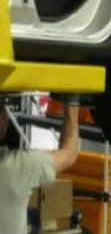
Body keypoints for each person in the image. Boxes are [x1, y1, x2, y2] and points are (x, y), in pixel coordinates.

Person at [0, 95, 81, 234]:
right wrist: (72, 101)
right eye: (3, 109)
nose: (7, 115)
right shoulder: (15, 167)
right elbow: (69, 154)